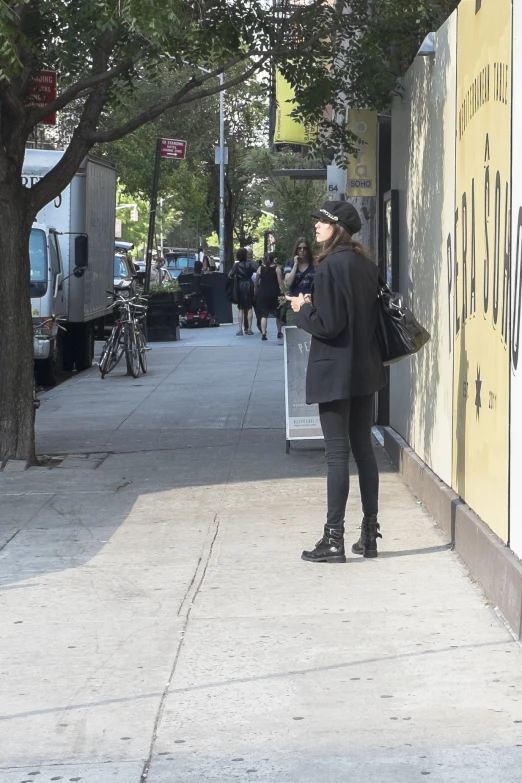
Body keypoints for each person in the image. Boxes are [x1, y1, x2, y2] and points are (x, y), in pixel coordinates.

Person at [287, 201, 387, 564]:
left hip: (335, 371)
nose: (316, 226)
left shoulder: (329, 267)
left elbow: (329, 325)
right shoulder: (367, 266)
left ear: (338, 228)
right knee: (364, 450)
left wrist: (303, 309)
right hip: (365, 369)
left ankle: (333, 540)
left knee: (337, 455)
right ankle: (369, 535)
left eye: (323, 221)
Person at [283, 237, 315, 325]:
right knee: (293, 332)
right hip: (293, 306)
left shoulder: (314, 264)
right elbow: (288, 282)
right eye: (299, 248)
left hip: (310, 306)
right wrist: (295, 265)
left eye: (305, 248)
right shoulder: (289, 263)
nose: (302, 250)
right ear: (296, 249)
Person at [254, 253, 284, 340]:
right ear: (273, 259)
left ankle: (263, 334)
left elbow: (256, 281)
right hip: (274, 293)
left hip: (263, 293)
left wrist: (255, 289)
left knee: (264, 315)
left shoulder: (260, 268)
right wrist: (283, 292)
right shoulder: (277, 269)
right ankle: (279, 332)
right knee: (278, 315)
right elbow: (280, 282)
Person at [229, 247, 257, 336]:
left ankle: (240, 329)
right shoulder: (250, 265)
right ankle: (249, 328)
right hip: (249, 284)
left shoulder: (236, 265)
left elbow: (230, 275)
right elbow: (257, 270)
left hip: (240, 285)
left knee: (241, 308)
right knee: (249, 308)